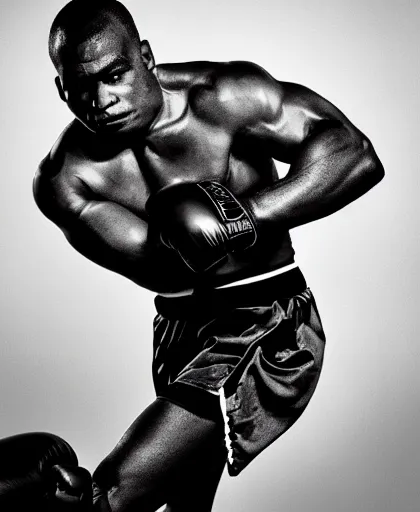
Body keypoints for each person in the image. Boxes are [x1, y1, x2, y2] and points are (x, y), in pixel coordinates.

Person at [32, 1, 384, 510]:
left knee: (106, 496)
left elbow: (354, 154)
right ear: (62, 88)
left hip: (268, 322)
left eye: (115, 75)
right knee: (186, 503)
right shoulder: (66, 179)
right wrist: (190, 234)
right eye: (82, 87)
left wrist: (250, 215)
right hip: (178, 333)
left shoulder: (226, 98)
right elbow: (155, 263)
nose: (102, 100)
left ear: (145, 58)